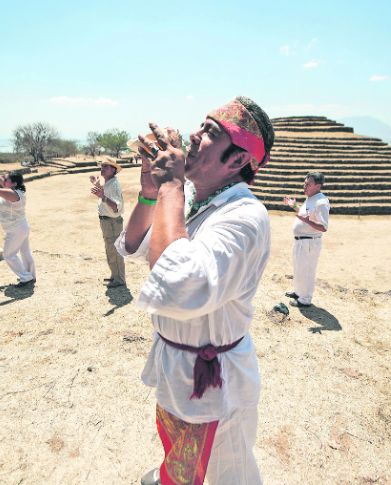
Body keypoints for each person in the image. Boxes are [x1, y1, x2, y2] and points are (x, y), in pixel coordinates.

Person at [117, 96, 274, 485]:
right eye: (201, 125)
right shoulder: (193, 200)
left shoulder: (245, 217)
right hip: (179, 364)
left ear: (237, 161)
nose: (193, 134)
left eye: (210, 133)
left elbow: (177, 283)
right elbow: (136, 245)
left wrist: (171, 184)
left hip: (214, 381)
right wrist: (152, 192)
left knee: (227, 469)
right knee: (178, 444)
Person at [283, 172, 330, 307]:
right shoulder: (310, 198)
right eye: (304, 183)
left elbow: (323, 227)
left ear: (318, 186)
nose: (305, 186)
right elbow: (305, 215)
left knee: (307, 270)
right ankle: (298, 292)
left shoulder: (321, 202)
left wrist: (306, 221)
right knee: (299, 268)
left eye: (308, 184)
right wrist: (294, 206)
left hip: (310, 242)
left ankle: (305, 299)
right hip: (300, 240)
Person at [90, 160, 125, 288]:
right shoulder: (110, 182)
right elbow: (103, 193)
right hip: (107, 222)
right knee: (110, 250)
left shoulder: (114, 185)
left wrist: (102, 197)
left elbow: (116, 206)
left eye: (106, 166)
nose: (102, 168)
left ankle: (119, 279)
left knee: (115, 251)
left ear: (113, 170)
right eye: (102, 166)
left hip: (112, 223)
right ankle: (115, 275)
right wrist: (97, 184)